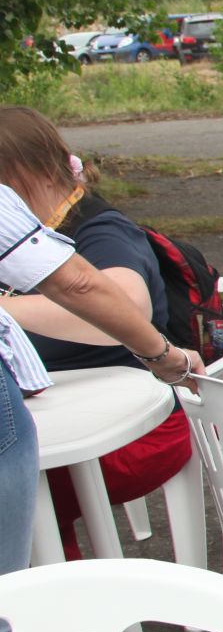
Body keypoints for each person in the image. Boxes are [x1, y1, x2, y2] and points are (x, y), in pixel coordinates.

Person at [0, 110, 206, 551]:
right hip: (71, 420)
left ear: (34, 172)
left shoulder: (96, 228)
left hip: (137, 435)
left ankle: (56, 597)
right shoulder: (40, 227)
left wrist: (6, 308)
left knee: (28, 492)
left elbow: (127, 305)